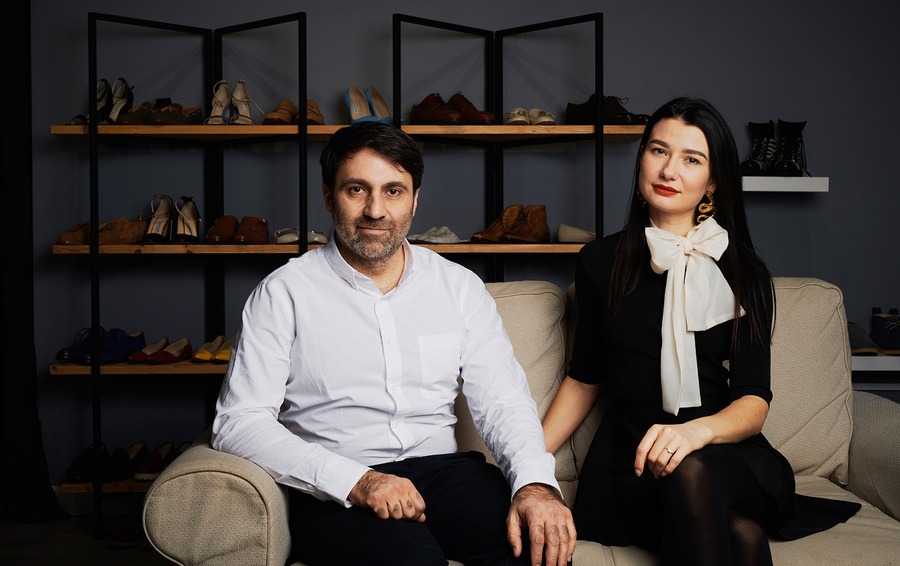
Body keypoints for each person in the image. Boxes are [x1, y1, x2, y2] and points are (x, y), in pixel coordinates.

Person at [211, 121, 575, 566]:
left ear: (415, 200)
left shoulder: (458, 287)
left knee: (538, 551)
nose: (375, 210)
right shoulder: (283, 293)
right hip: (339, 488)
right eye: (356, 190)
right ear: (328, 196)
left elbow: (503, 401)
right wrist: (358, 481)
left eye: (393, 191)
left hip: (446, 474)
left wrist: (535, 485)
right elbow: (239, 422)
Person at [541, 97, 859, 566]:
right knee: (742, 536)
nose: (669, 171)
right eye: (658, 151)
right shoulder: (600, 262)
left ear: (712, 181)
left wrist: (694, 433)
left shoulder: (744, 271)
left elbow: (753, 401)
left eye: (692, 159)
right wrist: (527, 459)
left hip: (724, 452)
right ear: (642, 158)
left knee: (692, 469)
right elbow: (585, 378)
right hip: (635, 460)